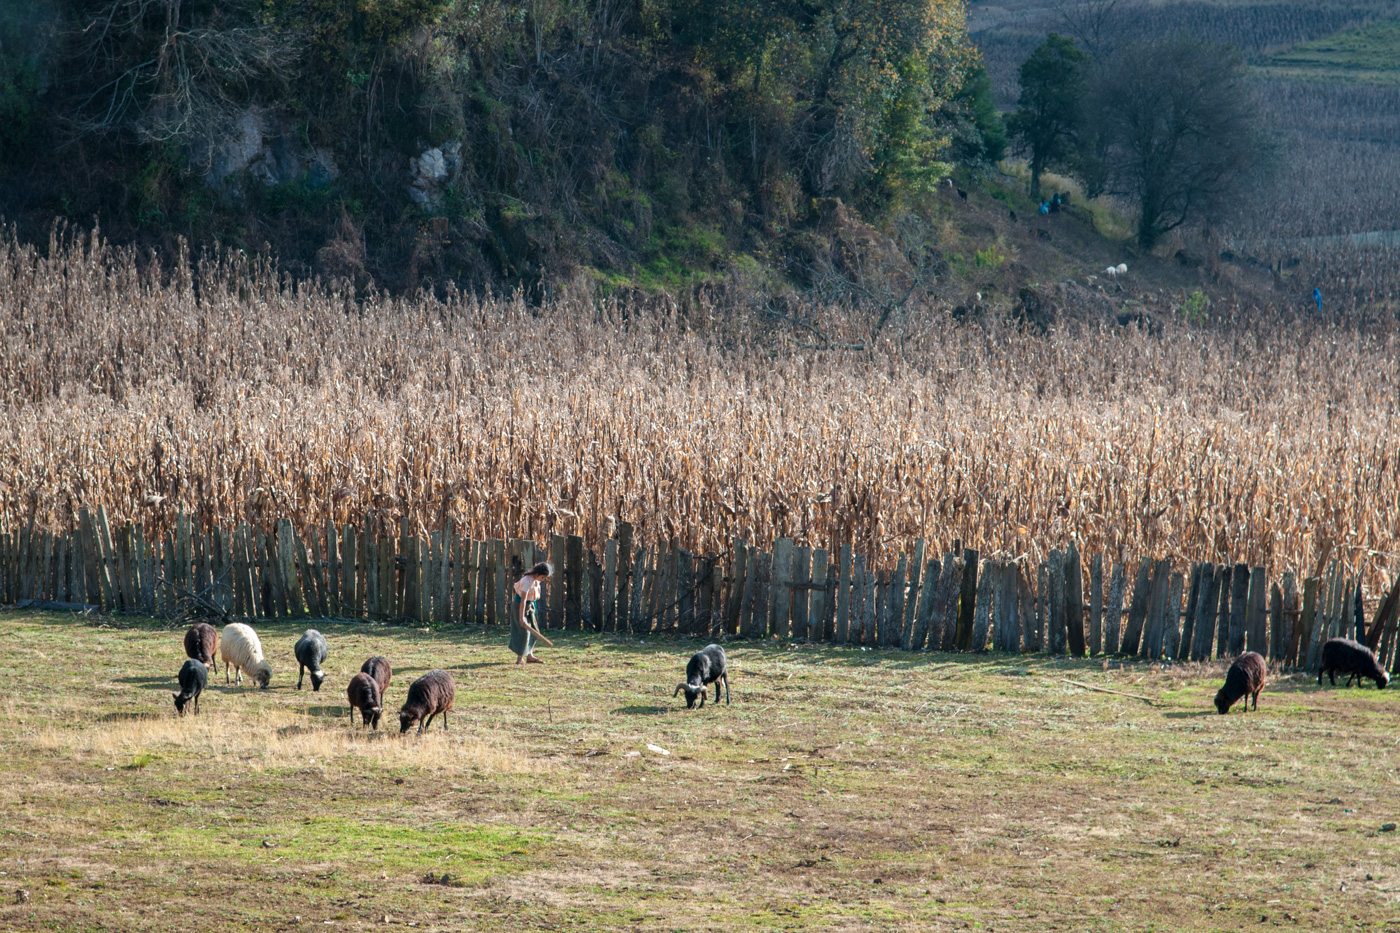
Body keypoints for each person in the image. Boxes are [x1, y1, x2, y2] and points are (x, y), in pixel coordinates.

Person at [511, 561, 553, 664]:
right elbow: (523, 600)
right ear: (538, 573)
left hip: (529, 607)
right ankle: (520, 658)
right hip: (520, 607)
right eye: (542, 577)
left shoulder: (536, 580)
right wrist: (521, 618)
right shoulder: (527, 581)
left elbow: (532, 599)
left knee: (534, 631)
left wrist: (533, 610)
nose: (543, 579)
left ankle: (530, 656)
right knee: (524, 633)